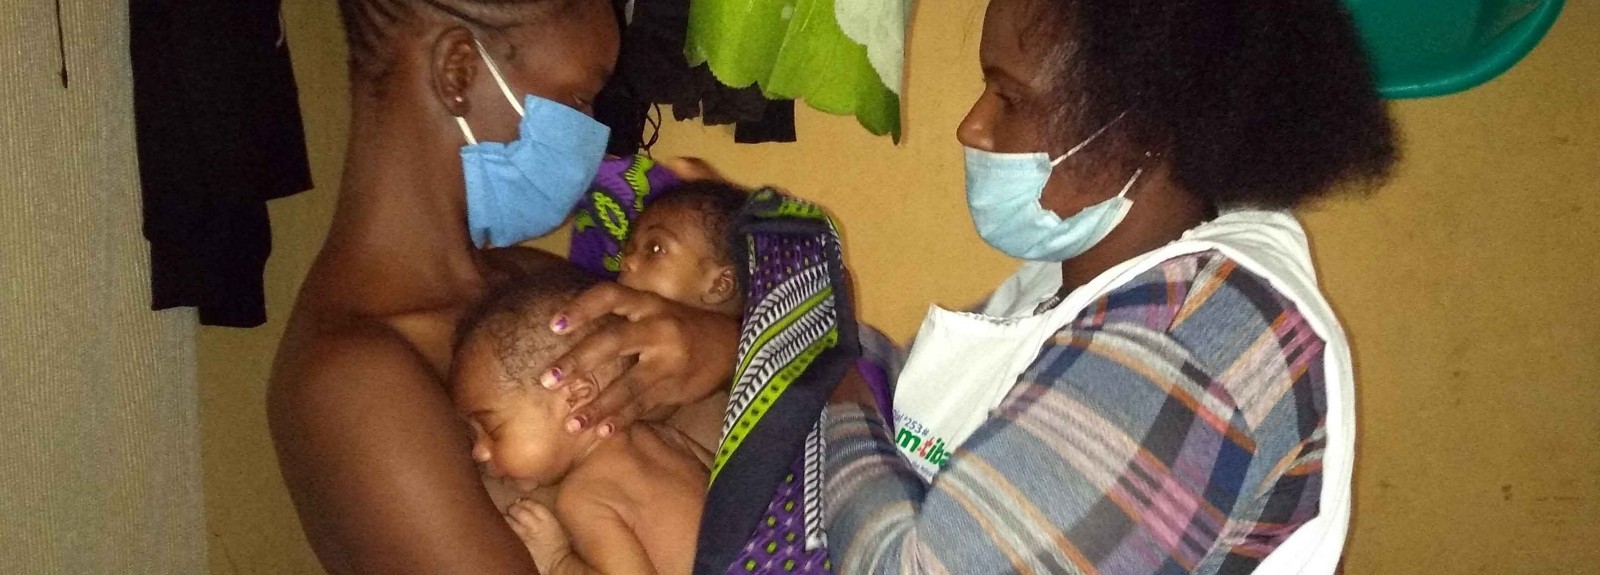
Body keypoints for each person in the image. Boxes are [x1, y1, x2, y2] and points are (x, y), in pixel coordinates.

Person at [539, 0, 1397, 573]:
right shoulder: (1079, 287)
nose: (973, 125)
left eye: (1009, 98)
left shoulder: (1191, 344)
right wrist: (739, 339)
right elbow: (919, 422)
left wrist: (816, 375)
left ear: (1137, 128)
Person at [265, 0, 638, 573]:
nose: (591, 137)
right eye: (578, 100)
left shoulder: (530, 281)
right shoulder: (351, 384)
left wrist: (710, 339)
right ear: (457, 71)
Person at [448, 263, 714, 575]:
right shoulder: (661, 437)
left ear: (576, 396)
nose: (479, 452)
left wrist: (557, 561)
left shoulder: (584, 497)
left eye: (492, 430)